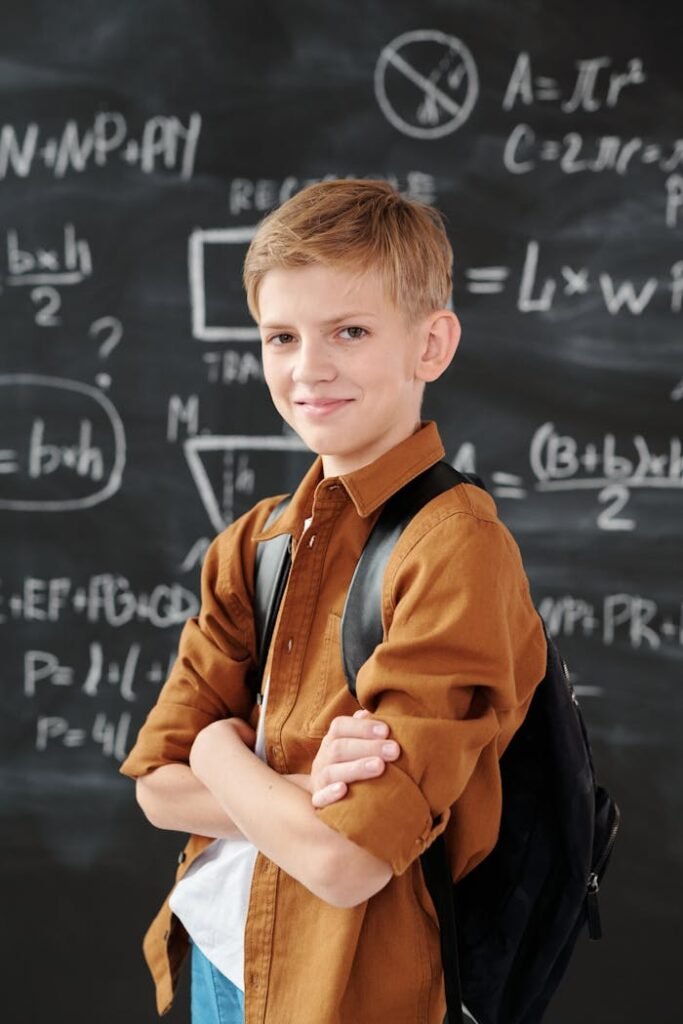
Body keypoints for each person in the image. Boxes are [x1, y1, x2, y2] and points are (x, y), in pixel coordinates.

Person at [120, 179, 547, 1024]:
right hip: (220, 956)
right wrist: (292, 781)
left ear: (431, 344)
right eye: (281, 336)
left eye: (348, 332)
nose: (307, 368)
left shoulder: (454, 547)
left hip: (347, 988)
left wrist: (213, 745)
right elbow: (152, 789)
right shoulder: (254, 543)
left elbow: (345, 863)